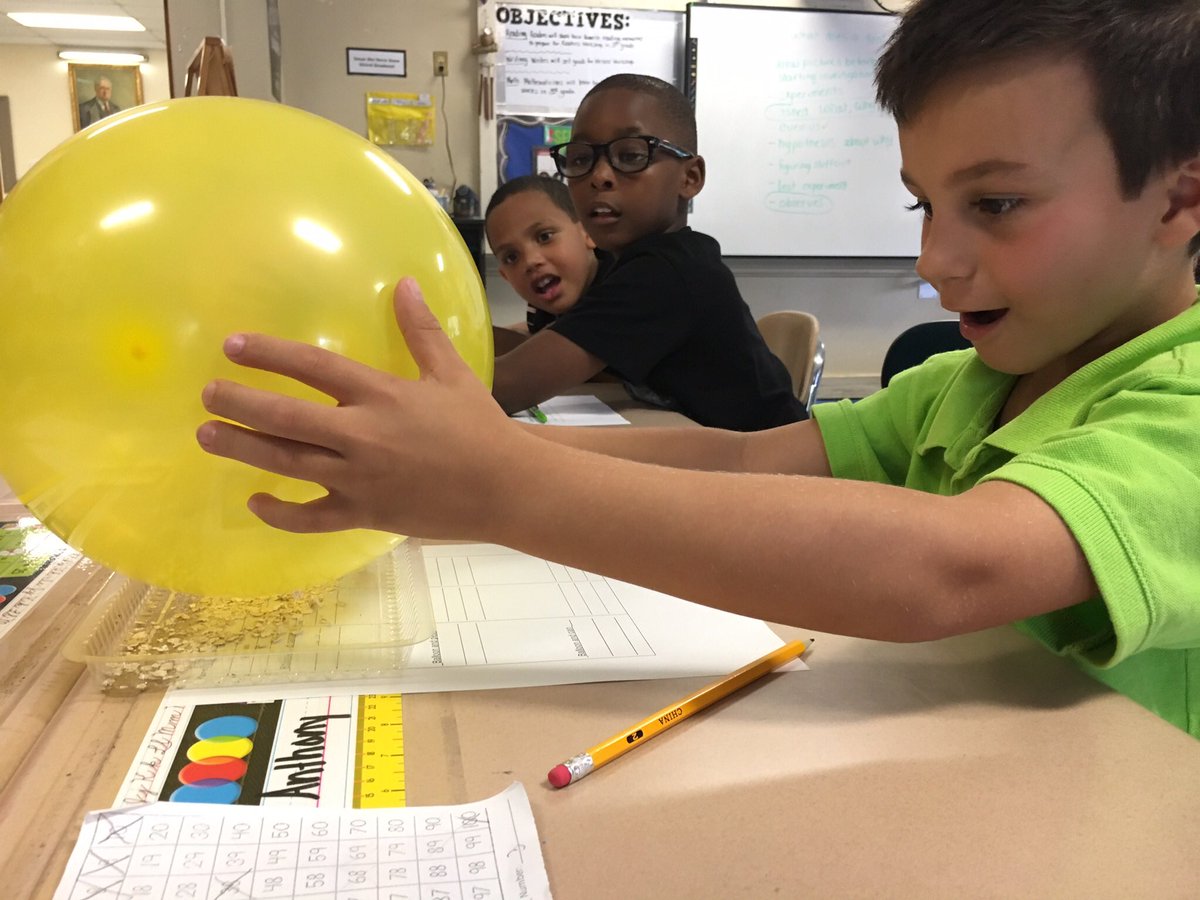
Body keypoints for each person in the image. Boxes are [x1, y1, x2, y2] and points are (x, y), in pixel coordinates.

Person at [197, 0, 1200, 736]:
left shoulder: (1185, 400)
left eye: (997, 204)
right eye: (923, 206)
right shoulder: (967, 384)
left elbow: (950, 568)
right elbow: (749, 461)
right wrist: (480, 453)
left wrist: (498, 485)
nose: (936, 260)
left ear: (1177, 201)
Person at [488, 75, 806, 431]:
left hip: (773, 475)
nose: (600, 176)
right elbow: (543, 346)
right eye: (580, 159)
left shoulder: (668, 272)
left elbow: (506, 387)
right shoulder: (619, 267)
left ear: (690, 177)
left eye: (631, 156)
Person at [485, 175, 601, 357]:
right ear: (506, 276)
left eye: (544, 237)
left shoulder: (618, 293)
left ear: (588, 232)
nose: (530, 261)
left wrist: (488, 340)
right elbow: (539, 331)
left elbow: (601, 370)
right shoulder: (540, 306)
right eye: (511, 257)